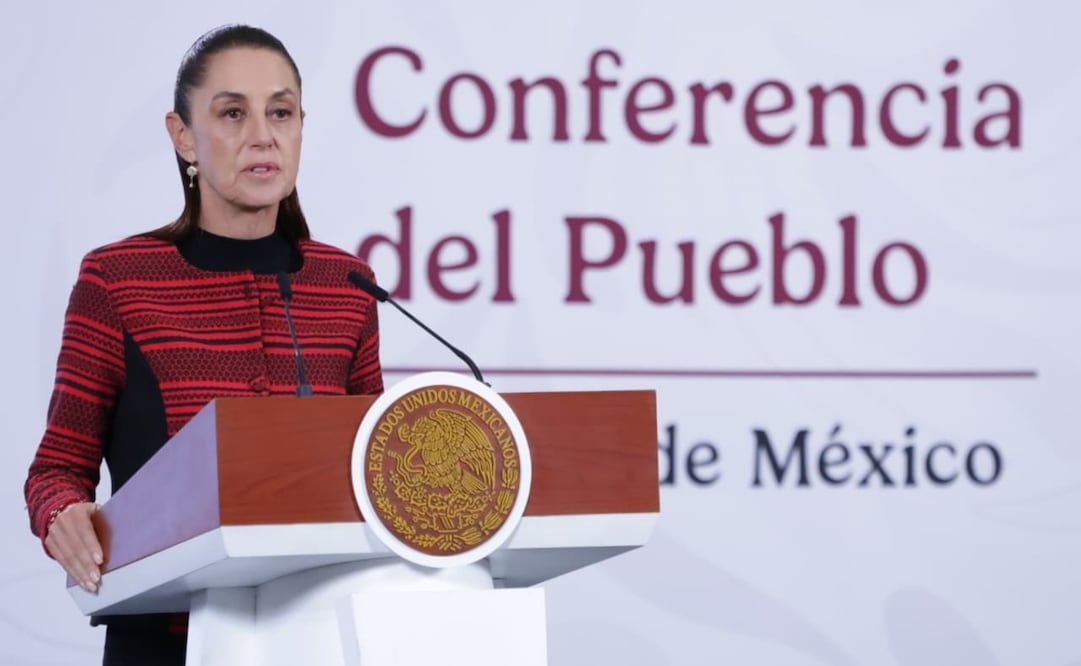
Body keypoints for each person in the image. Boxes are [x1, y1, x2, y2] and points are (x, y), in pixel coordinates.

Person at [23, 24, 383, 666]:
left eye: (281, 112)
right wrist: (62, 515)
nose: (262, 136)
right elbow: (56, 471)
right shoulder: (118, 280)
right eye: (232, 113)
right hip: (165, 642)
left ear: (302, 128)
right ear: (183, 136)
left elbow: (374, 471)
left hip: (318, 637)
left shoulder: (346, 285)